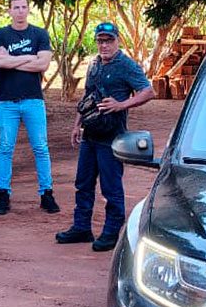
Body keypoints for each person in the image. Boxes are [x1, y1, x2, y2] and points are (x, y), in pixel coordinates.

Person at [55, 22, 155, 252]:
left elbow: (148, 91)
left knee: (111, 188)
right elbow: (87, 97)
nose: (104, 45)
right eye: (100, 40)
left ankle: (111, 231)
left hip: (112, 138)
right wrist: (76, 125)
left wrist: (122, 105)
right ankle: (81, 227)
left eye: (109, 40)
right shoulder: (94, 64)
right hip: (90, 135)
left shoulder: (126, 65)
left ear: (118, 40)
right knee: (83, 183)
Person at [0, 0, 60, 216]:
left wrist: (12, 62)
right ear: (9, 11)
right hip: (7, 102)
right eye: (16, 7)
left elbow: (44, 65)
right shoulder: (1, 35)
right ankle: (3, 195)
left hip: (33, 100)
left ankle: (46, 194)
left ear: (28, 9)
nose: (20, 11)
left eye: (23, 7)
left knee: (40, 147)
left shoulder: (39, 34)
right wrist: (29, 58)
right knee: (5, 148)